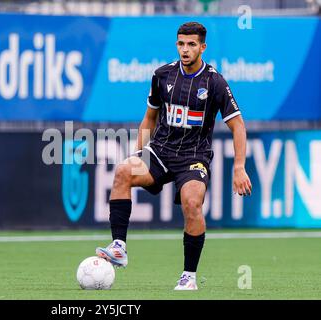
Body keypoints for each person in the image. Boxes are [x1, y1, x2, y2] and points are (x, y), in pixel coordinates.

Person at [96, 22, 252, 290]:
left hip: (194, 156)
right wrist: (138, 153)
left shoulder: (214, 82)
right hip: (161, 151)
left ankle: (188, 276)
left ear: (202, 47)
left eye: (191, 44)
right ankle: (119, 246)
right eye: (181, 43)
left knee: (192, 202)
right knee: (123, 170)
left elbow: (238, 125)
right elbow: (149, 119)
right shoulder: (162, 75)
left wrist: (239, 167)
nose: (185, 49)